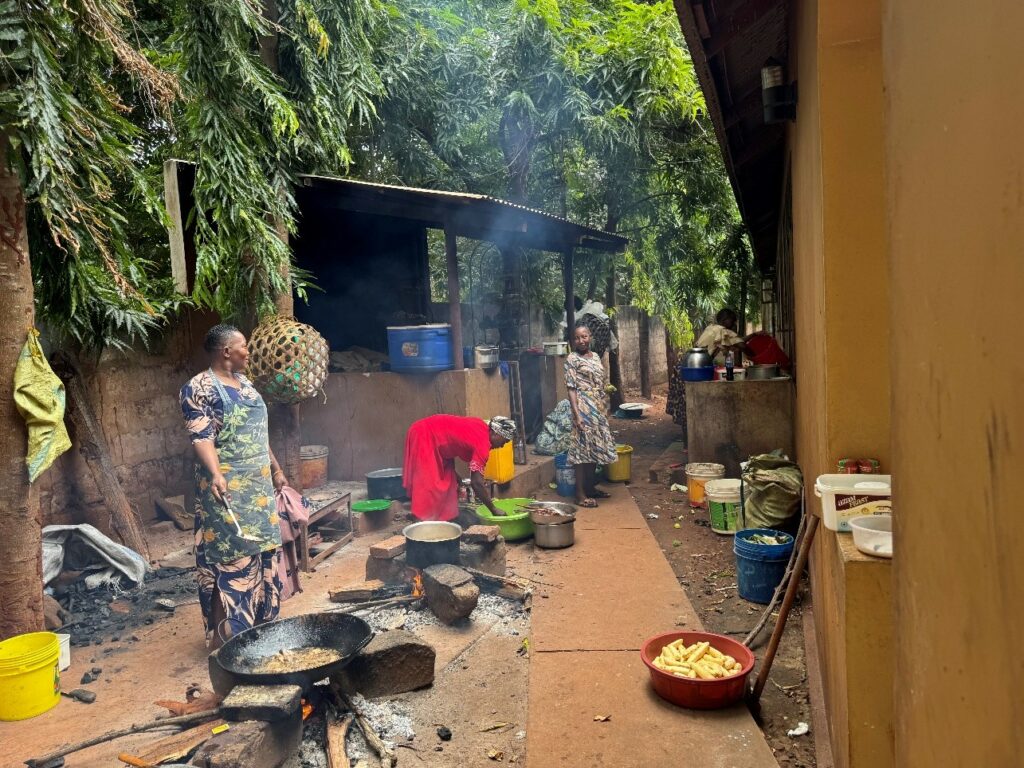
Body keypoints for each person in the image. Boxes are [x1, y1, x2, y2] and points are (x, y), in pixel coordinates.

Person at [180, 324, 290, 648]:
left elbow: (258, 434)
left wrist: (276, 469)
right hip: (226, 491)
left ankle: (260, 630)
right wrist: (216, 474)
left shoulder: (246, 385)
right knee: (230, 561)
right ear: (226, 351)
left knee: (263, 555)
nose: (248, 351)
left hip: (258, 490)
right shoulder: (198, 388)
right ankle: (224, 641)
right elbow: (201, 437)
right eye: (244, 345)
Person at [403, 415, 516, 522]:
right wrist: (493, 509)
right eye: (504, 441)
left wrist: (456, 475)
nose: (502, 445)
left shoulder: (482, 426)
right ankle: (423, 523)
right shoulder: (483, 444)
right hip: (424, 434)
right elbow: (476, 483)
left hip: (434, 440)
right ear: (495, 433)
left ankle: (442, 520)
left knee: (449, 481)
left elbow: (454, 438)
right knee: (429, 485)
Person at [565, 324, 618, 507]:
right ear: (573, 341)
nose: (581, 340)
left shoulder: (595, 356)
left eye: (584, 336)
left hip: (598, 407)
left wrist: (604, 403)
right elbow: (571, 388)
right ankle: (579, 494)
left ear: (590, 337)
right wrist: (577, 415)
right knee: (581, 451)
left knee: (594, 448)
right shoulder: (572, 359)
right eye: (577, 338)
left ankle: (590, 487)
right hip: (583, 407)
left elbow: (600, 381)